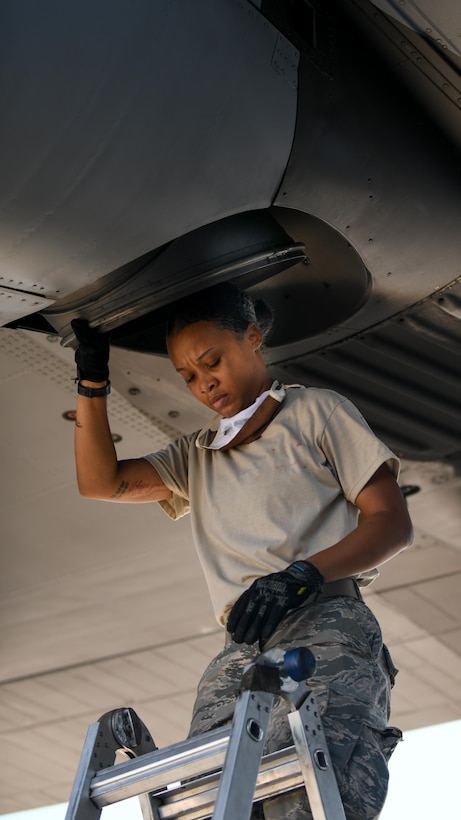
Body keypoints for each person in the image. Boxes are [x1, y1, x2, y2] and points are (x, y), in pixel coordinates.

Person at [72, 282, 413, 819]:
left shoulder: (315, 412)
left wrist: (304, 573)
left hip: (322, 623)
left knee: (308, 796)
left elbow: (392, 524)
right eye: (188, 376)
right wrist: (91, 384)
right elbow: (101, 481)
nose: (205, 383)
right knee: (206, 801)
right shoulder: (197, 454)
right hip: (239, 649)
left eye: (213, 361)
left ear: (253, 338)